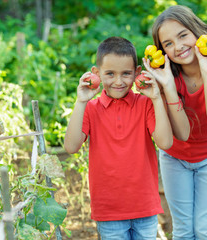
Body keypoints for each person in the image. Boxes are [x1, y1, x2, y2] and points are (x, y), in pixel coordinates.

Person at [143, 5, 207, 240]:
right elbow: (182, 134)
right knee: (184, 231)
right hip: (176, 157)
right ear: (162, 50)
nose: (178, 47)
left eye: (182, 35)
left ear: (196, 32)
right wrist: (168, 86)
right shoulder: (165, 76)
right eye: (168, 44)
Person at [64, 36, 174, 239]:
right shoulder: (90, 109)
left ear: (137, 73)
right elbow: (71, 146)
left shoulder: (146, 104)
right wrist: (80, 102)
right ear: (96, 73)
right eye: (110, 74)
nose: (118, 81)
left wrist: (156, 97)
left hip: (145, 208)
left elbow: (165, 142)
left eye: (126, 74)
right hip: (109, 211)